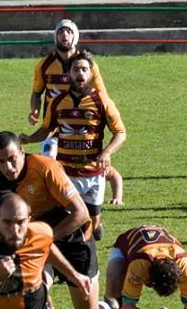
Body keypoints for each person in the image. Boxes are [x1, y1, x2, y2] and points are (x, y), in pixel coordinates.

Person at [0, 131, 117, 309]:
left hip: (75, 241)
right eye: (1, 161)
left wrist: (44, 238)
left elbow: (80, 214)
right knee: (35, 283)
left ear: (22, 151)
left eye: (12, 159)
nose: (8, 167)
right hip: (38, 245)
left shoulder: (45, 169)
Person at [21, 49, 126, 241]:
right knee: (72, 219)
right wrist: (29, 138)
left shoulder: (102, 101)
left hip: (94, 173)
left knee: (93, 215)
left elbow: (120, 132)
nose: (80, 74)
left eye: (85, 69)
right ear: (69, 73)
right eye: (76, 69)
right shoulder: (58, 102)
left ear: (91, 73)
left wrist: (107, 152)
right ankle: (72, 246)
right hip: (67, 173)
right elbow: (46, 129)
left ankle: (96, 224)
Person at [28, 18, 123, 206]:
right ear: (55, 36)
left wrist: (101, 112)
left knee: (86, 160)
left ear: (75, 36)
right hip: (54, 125)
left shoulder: (88, 64)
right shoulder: (44, 65)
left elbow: (102, 94)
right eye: (61, 32)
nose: (65, 35)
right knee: (49, 162)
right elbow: (37, 93)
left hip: (83, 125)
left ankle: (97, 195)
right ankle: (57, 201)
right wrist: (35, 111)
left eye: (69, 32)